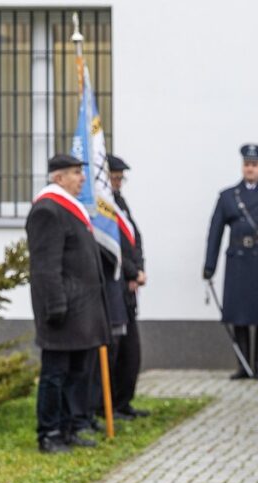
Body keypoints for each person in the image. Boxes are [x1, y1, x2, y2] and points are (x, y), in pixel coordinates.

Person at [26, 153, 111, 453]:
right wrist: (56, 306)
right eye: (76, 172)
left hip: (82, 310)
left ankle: (69, 427)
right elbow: (45, 266)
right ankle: (48, 433)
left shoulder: (71, 209)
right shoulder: (47, 210)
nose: (82, 178)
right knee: (55, 375)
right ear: (58, 178)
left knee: (76, 373)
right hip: (63, 310)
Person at [203, 144, 258, 380]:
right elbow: (215, 232)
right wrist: (209, 265)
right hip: (238, 261)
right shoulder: (228, 196)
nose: (250, 169)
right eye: (246, 165)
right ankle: (243, 365)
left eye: (254, 165)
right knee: (239, 315)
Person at [107, 153, 148, 419]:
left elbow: (134, 237)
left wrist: (140, 269)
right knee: (116, 349)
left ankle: (123, 401)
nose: (119, 182)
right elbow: (114, 244)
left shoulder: (119, 202)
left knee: (132, 351)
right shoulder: (102, 206)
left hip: (130, 285)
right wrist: (133, 271)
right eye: (115, 177)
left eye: (122, 178)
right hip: (116, 285)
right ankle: (106, 405)